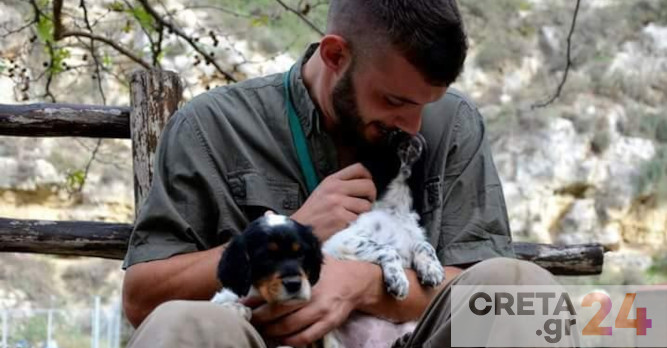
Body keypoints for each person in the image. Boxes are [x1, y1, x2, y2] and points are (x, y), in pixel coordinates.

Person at [122, 0, 557, 347]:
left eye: (426, 104)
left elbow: (475, 285)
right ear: (335, 55)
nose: (414, 126)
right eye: (394, 101)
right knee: (185, 320)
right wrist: (293, 230)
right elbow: (144, 298)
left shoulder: (454, 122)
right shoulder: (212, 126)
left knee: (521, 291)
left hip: (407, 338)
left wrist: (366, 285)